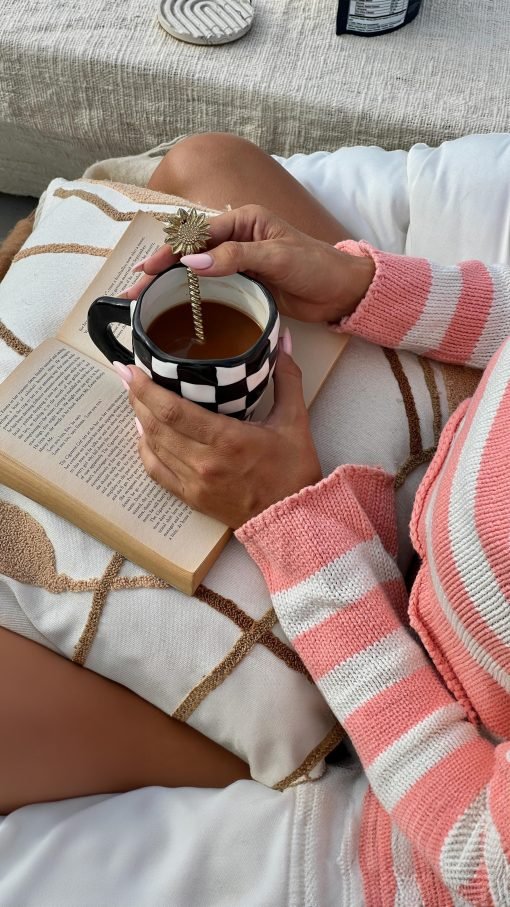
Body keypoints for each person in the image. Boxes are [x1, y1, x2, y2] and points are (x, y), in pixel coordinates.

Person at [1, 133, 509, 906]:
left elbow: (482, 854)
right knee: (208, 168)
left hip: (408, 739)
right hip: (450, 480)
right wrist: (357, 284)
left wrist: (288, 520)